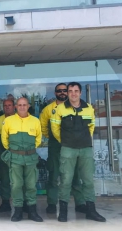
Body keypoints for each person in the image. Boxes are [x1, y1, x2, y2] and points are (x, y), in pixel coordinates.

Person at [51, 82, 106, 223]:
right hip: (68, 149)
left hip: (85, 149)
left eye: (76, 91)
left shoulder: (88, 108)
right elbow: (55, 129)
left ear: (80, 93)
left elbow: (91, 126)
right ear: (68, 93)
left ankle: (91, 210)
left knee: (88, 180)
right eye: (70, 91)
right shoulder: (60, 109)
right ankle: (63, 212)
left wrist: (85, 140)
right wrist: (65, 141)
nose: (73, 93)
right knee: (65, 181)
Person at [39, 83, 86, 214]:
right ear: (55, 93)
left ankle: (80, 203)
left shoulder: (75, 107)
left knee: (75, 174)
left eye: (65, 90)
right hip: (55, 146)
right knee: (53, 174)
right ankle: (52, 203)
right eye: (59, 91)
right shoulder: (48, 109)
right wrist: (55, 138)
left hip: (73, 145)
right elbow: (43, 127)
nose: (62, 93)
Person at [1, 97, 43, 222]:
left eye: (24, 105)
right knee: (16, 185)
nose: (22, 107)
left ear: (28, 106)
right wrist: (16, 151)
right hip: (15, 158)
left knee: (31, 185)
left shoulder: (35, 121)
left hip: (30, 157)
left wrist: (28, 151)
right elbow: (4, 139)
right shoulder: (8, 121)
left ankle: (32, 211)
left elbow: (38, 139)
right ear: (16, 107)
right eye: (19, 105)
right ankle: (18, 211)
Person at [0, 99, 15, 212]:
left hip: (19, 153)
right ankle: (5, 202)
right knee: (5, 179)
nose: (7, 107)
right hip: (4, 154)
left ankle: (25, 203)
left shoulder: (19, 119)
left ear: (14, 106)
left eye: (9, 105)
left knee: (21, 179)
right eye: (5, 105)